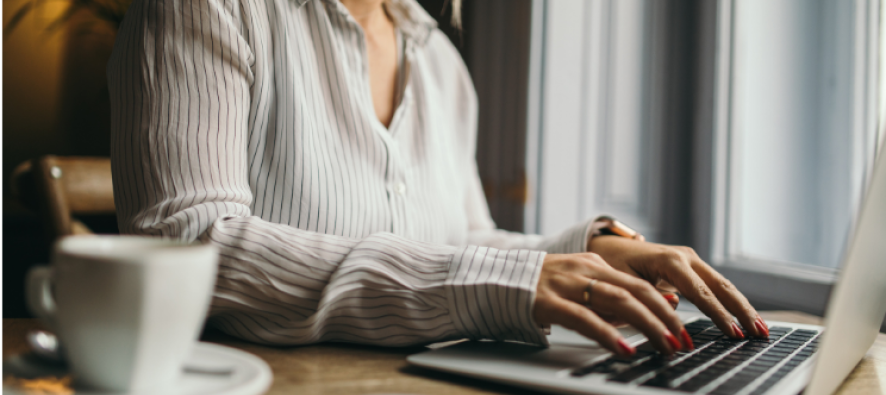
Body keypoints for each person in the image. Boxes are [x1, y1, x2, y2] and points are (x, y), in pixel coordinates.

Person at [107, 0, 768, 357]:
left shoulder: (442, 63)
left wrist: (590, 250)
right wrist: (505, 282)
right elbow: (191, 244)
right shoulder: (206, 8)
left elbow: (466, 239)